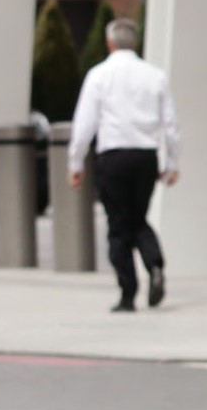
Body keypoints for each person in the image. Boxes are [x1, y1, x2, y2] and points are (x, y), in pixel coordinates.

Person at [67, 18, 178, 313]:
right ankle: (154, 265)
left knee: (118, 225)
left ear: (109, 43)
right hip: (145, 156)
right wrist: (172, 162)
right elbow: (170, 124)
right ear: (136, 43)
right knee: (138, 218)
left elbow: (85, 123)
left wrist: (76, 161)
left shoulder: (99, 76)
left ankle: (128, 294)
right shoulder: (155, 76)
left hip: (113, 155)